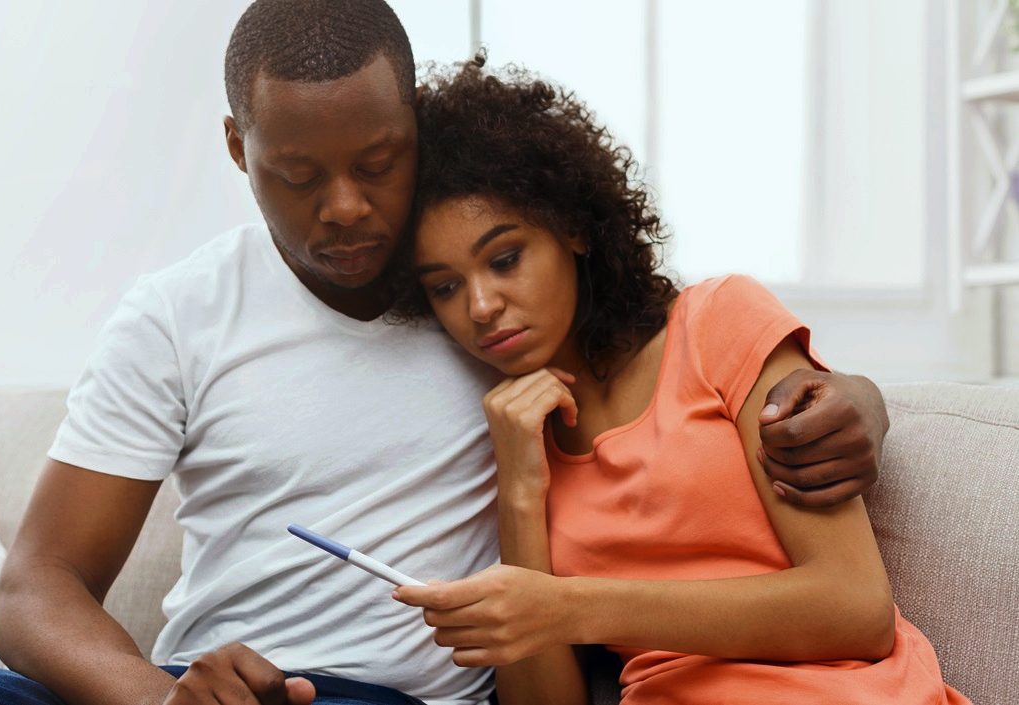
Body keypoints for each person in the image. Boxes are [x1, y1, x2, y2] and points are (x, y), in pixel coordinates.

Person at [0, 2, 892, 704]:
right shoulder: (181, 315)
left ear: (417, 134)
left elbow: (668, 363)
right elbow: (35, 590)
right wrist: (155, 699)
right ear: (237, 147)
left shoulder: (492, 314)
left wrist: (853, 396)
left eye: (379, 164)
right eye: (298, 176)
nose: (347, 209)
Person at [389, 58, 968, 705]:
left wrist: (572, 607)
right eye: (445, 286)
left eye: (504, 259)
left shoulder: (718, 323)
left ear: (572, 228)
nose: (480, 306)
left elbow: (856, 608)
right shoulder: (520, 438)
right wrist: (520, 492)